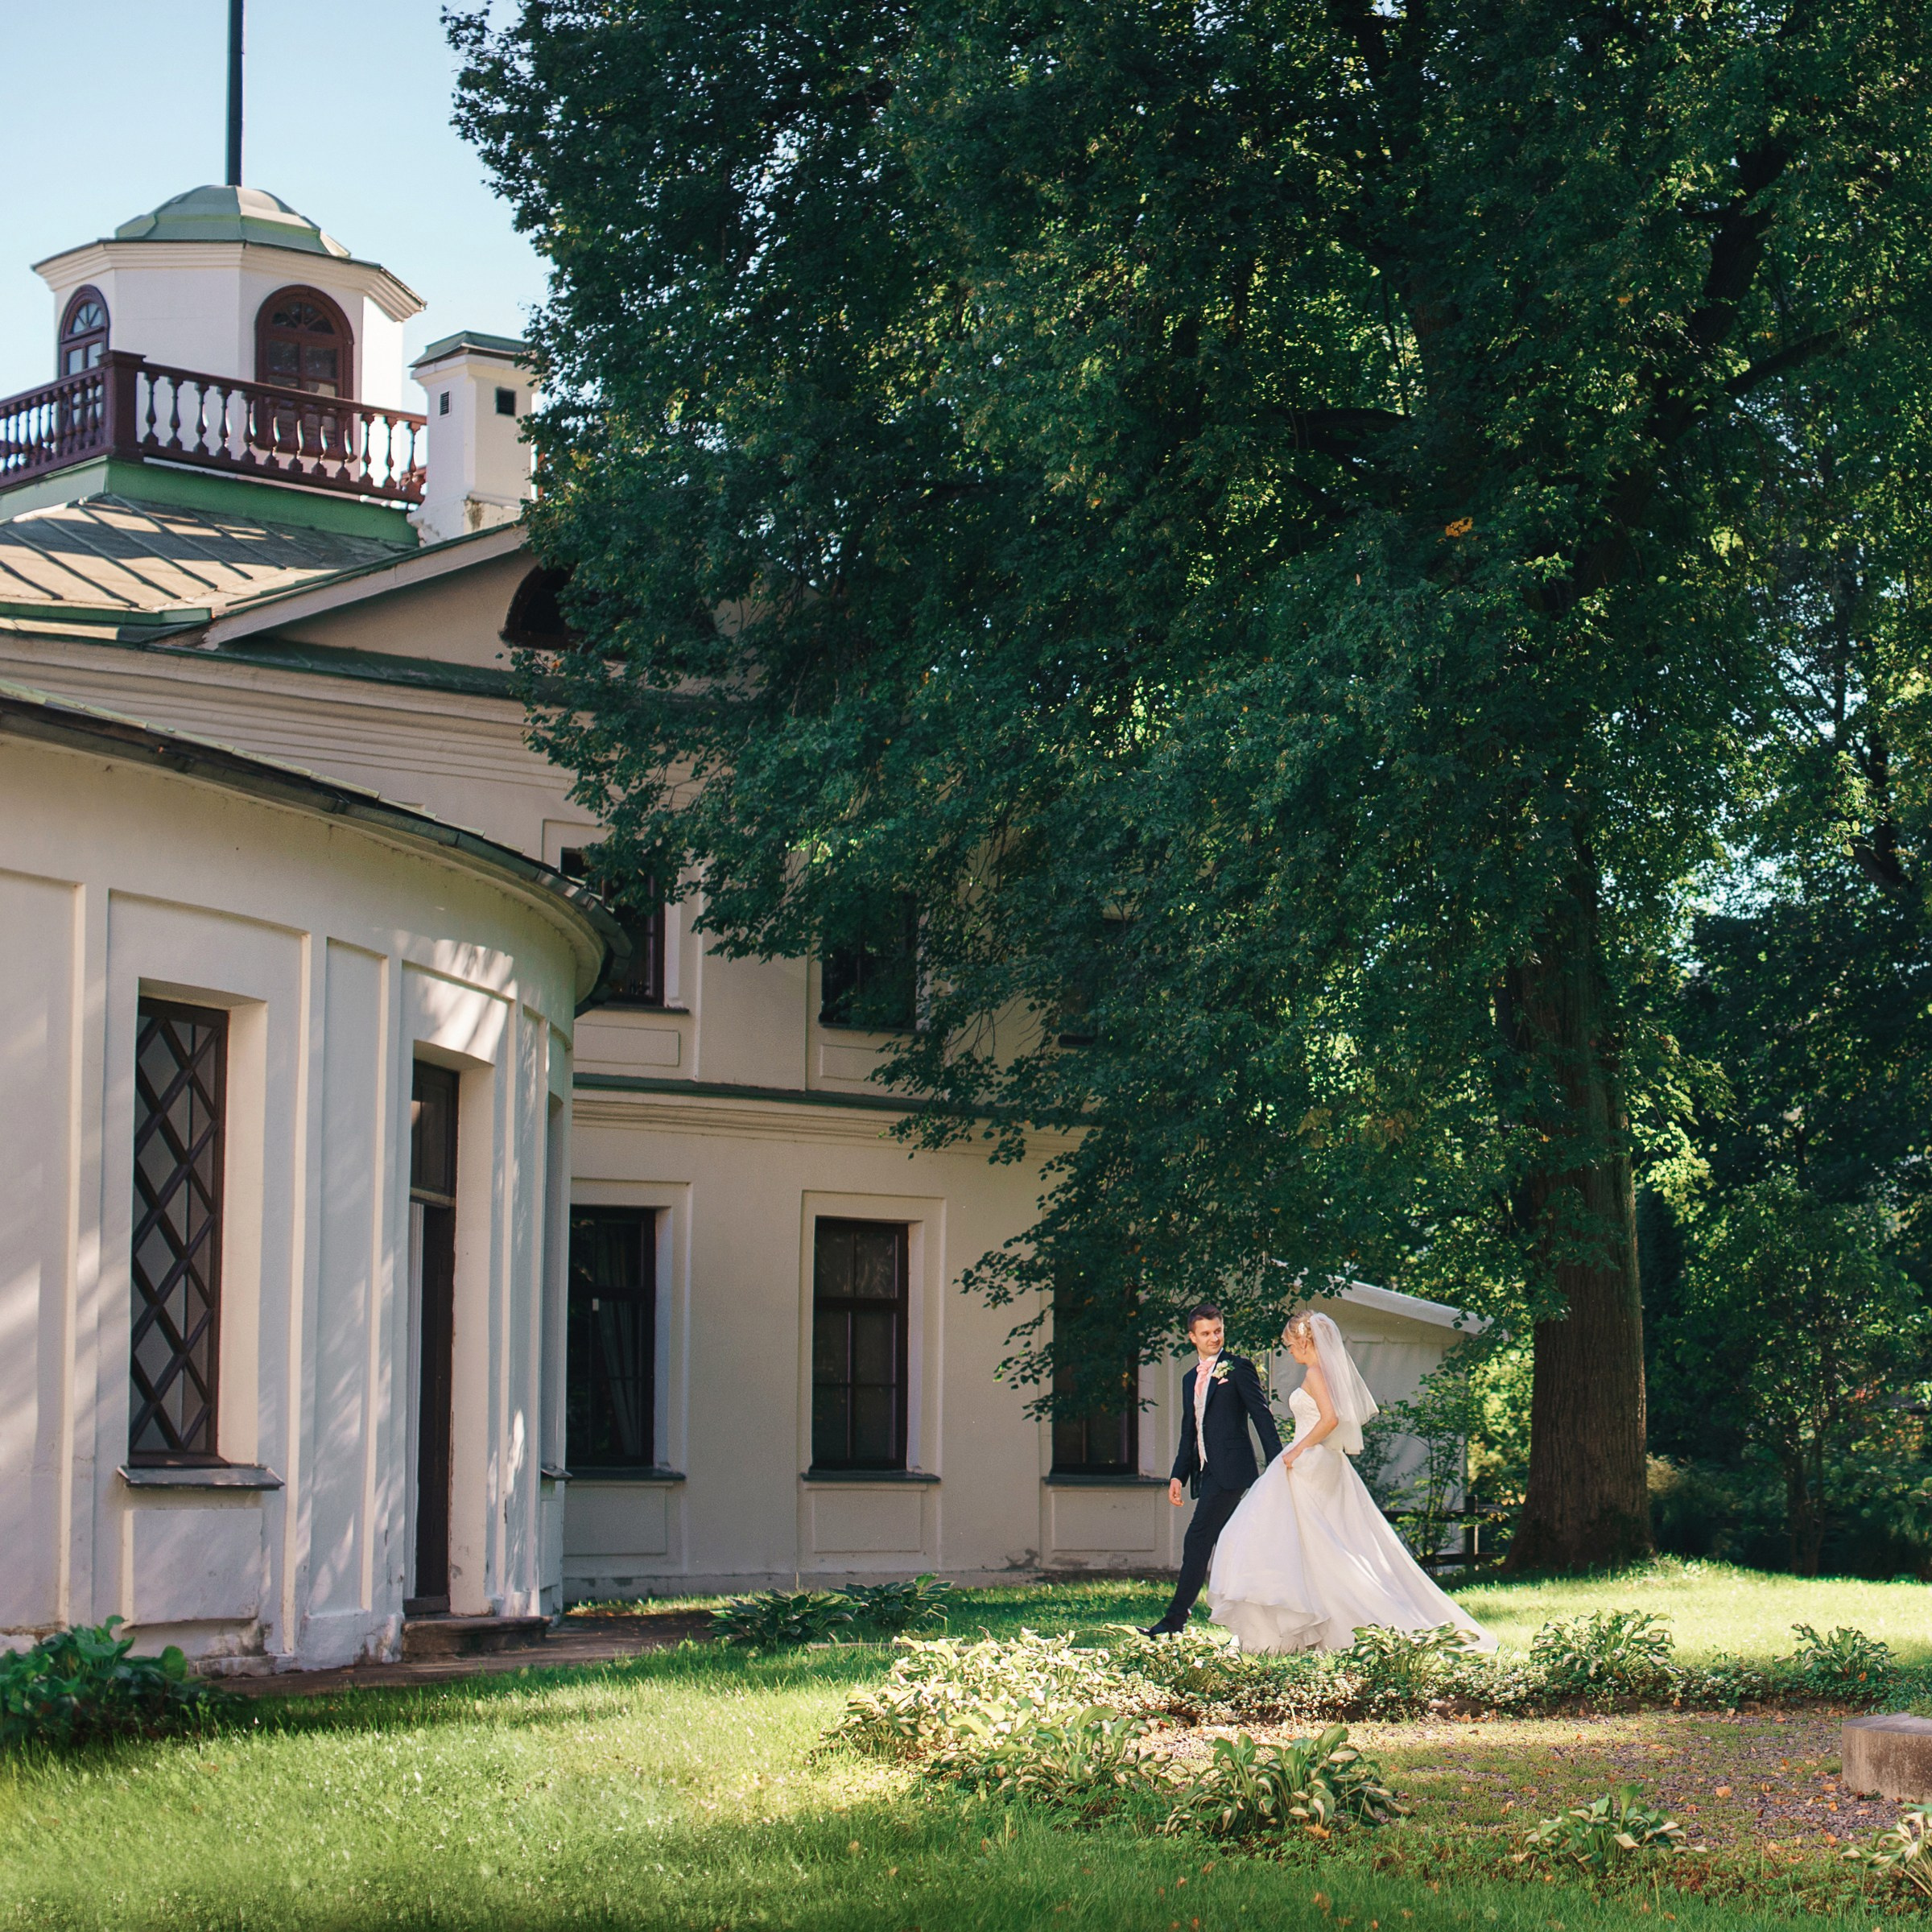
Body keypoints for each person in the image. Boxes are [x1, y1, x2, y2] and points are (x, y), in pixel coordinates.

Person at [1204, 1307, 1496, 1653]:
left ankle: (1309, 1625)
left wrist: (1297, 1451)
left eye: (1291, 1344)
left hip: (1310, 1458)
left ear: (1304, 1340)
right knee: (1309, 1542)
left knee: (1288, 1538)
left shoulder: (1316, 1373)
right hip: (1317, 1458)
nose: (1289, 1350)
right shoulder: (1320, 1371)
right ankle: (1295, 1628)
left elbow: (1330, 1419)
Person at [1141, 1302, 1284, 1637]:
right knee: (1236, 1541)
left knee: (1198, 1537)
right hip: (1207, 1473)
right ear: (1192, 1337)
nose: (1214, 1338)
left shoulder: (1238, 1367)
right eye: (1205, 1333)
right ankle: (1260, 1615)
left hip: (1233, 1471)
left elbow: (1261, 1416)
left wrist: (1277, 1463)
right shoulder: (1190, 1377)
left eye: (1218, 1331)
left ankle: (1174, 1621)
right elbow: (1189, 1431)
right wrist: (1179, 1474)